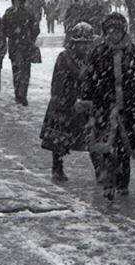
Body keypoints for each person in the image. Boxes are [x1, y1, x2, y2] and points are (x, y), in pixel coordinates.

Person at [81, 12, 135, 201]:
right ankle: (108, 183)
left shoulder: (133, 52)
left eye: (117, 31)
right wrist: (87, 99)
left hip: (128, 106)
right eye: (110, 31)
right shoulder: (98, 52)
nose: (113, 34)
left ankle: (123, 183)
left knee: (124, 147)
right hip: (104, 106)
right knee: (106, 147)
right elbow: (89, 78)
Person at [40, 22, 95, 182]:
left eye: (87, 43)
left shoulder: (93, 59)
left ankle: (100, 170)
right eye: (81, 43)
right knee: (59, 139)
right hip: (64, 102)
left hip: (86, 103)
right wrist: (67, 100)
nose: (84, 47)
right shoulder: (64, 58)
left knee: (93, 138)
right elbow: (58, 82)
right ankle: (57, 168)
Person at [2, 0, 40, 106]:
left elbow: (36, 29)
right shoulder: (9, 13)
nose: (18, 3)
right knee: (17, 72)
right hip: (15, 47)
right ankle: (18, 94)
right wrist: (13, 33)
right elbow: (3, 29)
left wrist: (29, 36)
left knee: (25, 72)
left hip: (25, 47)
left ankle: (22, 95)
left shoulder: (28, 12)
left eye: (20, 0)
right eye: (16, 0)